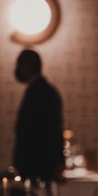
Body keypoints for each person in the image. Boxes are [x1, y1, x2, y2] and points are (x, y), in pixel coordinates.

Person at [12, 49, 64, 184]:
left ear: (26, 66)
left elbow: (50, 130)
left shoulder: (39, 92)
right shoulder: (44, 90)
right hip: (40, 164)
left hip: (37, 165)